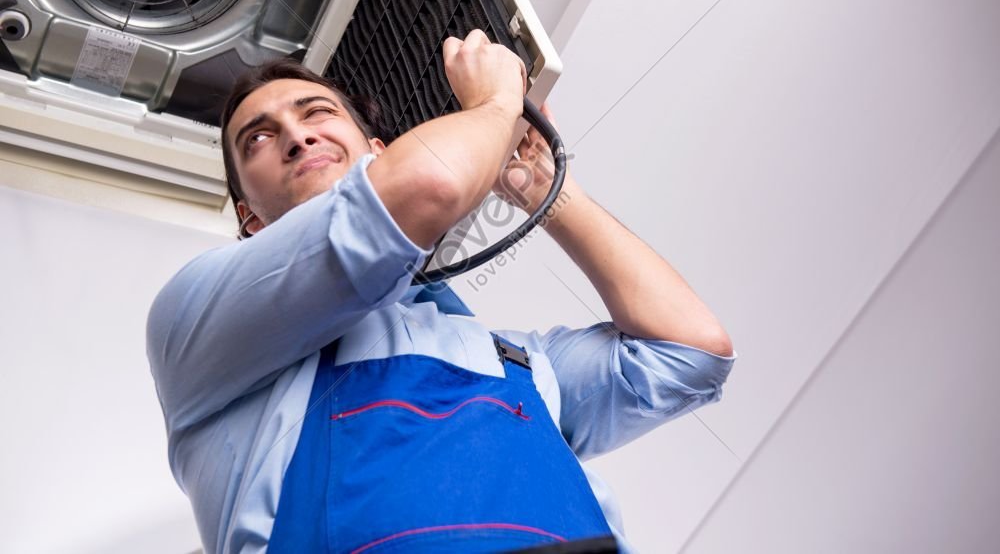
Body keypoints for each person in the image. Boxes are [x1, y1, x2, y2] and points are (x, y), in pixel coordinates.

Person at [146, 30, 736, 554]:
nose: (297, 137)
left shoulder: (517, 360)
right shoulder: (195, 325)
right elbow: (425, 185)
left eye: (316, 112)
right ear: (250, 219)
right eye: (258, 139)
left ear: (378, 150)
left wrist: (547, 193)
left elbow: (688, 353)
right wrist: (498, 104)